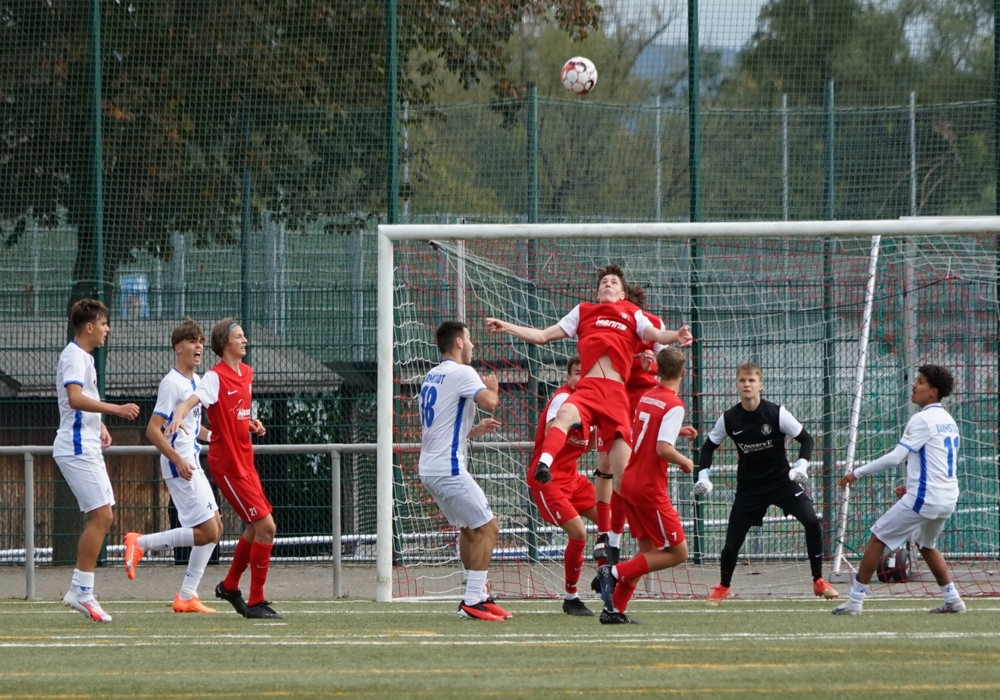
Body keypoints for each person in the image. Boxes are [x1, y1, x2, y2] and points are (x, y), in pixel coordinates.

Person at [485, 264, 692, 500]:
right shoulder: (583, 311)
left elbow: (656, 335)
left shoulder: (632, 313)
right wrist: (507, 326)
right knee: (564, 415)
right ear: (597, 293)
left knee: (623, 478)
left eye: (613, 282)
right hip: (589, 389)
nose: (608, 284)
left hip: (615, 395)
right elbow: (542, 336)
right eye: (604, 282)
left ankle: (634, 520)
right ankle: (544, 464)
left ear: (622, 294)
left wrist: (676, 335)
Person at [695, 361, 839, 605]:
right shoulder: (729, 418)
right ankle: (723, 587)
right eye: (742, 380)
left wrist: (801, 465)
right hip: (749, 489)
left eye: (752, 380)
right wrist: (703, 476)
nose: (747, 384)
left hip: (782, 482)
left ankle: (818, 581)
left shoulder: (776, 413)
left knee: (811, 521)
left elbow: (806, 439)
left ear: (760, 385)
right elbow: (708, 447)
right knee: (731, 546)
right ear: (736, 385)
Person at [166, 318, 279, 619]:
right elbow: (191, 401)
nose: (245, 340)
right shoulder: (214, 378)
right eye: (239, 336)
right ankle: (256, 600)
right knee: (266, 527)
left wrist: (251, 424)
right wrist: (178, 413)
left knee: (256, 527)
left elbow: (237, 413)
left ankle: (229, 586)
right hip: (227, 464)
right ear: (224, 344)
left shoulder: (247, 373)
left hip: (245, 460)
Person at [832, 364, 964, 615]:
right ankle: (953, 599)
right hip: (946, 496)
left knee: (877, 537)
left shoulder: (922, 419)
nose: (914, 385)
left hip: (926, 497)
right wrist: (912, 484)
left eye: (921, 381)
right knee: (926, 544)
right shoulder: (948, 420)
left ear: (933, 392)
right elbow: (937, 461)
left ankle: (855, 601)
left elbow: (895, 457)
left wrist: (856, 473)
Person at [124, 318, 223, 613]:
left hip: (192, 461)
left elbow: (193, 427)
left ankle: (187, 595)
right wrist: (177, 459)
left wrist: (216, 437)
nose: (199, 346)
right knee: (208, 531)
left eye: (201, 342)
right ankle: (141, 542)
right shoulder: (171, 383)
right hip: (179, 465)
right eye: (192, 341)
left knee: (215, 528)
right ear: (178, 348)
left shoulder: (196, 381)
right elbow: (153, 430)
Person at [54, 298, 141, 623]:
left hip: (86, 445)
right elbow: (75, 398)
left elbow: (79, 401)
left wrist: (100, 425)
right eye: (104, 323)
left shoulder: (85, 358)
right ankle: (81, 590)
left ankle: (81, 589)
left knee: (104, 517)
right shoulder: (74, 356)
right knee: (102, 517)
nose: (108, 329)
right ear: (89, 327)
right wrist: (116, 409)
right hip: (76, 448)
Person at [418, 321, 508, 621]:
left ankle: (479, 596)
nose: (472, 344)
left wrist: (474, 430)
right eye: (469, 339)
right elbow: (490, 403)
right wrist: (493, 389)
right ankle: (472, 601)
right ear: (458, 342)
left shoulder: (432, 375)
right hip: (449, 467)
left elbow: (441, 426)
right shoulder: (462, 372)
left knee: (470, 528)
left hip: (430, 468)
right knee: (489, 528)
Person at [597, 347, 693, 624]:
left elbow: (645, 432)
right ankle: (613, 572)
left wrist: (676, 431)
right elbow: (663, 448)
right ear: (682, 373)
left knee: (647, 552)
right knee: (679, 552)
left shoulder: (648, 395)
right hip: (649, 487)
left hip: (629, 480)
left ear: (657, 370)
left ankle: (613, 610)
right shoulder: (674, 404)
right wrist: (684, 461)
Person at [527, 355, 600, 616]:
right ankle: (571, 598)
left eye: (587, 373)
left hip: (573, 478)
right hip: (548, 480)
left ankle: (606, 574)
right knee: (579, 533)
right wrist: (576, 422)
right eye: (577, 372)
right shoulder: (563, 400)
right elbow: (552, 430)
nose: (582, 378)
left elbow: (591, 445)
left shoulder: (594, 404)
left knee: (610, 518)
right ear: (568, 377)